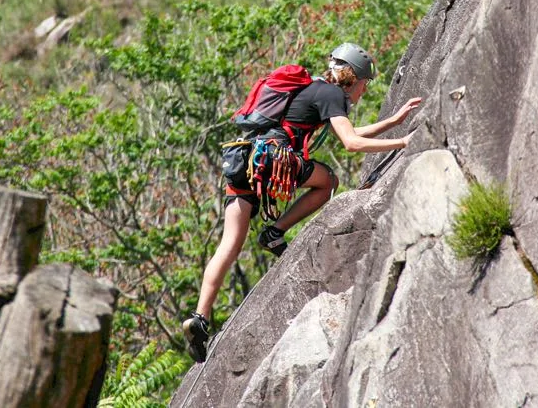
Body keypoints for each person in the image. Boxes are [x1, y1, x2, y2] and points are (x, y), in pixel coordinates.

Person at [181, 43, 422, 363]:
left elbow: (350, 132)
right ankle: (274, 232)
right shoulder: (333, 95)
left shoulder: (315, 89)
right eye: (365, 84)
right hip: (273, 160)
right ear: (354, 78)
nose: (364, 91)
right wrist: (405, 141)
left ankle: (200, 318)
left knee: (229, 245)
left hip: (244, 161)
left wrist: (394, 121)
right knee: (329, 182)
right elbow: (351, 143)